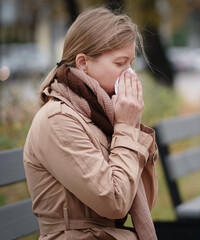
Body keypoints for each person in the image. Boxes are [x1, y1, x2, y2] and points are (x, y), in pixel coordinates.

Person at [23, 7, 158, 240]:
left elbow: (143, 197)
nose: (130, 75)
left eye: (131, 64)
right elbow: (115, 202)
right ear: (83, 62)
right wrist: (126, 128)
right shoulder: (59, 120)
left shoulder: (101, 115)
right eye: (120, 63)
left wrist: (129, 126)